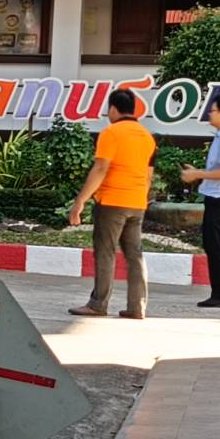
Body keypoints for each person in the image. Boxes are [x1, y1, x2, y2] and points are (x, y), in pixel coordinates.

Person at [67, 89, 156, 318]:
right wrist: (140, 197)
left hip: (112, 202)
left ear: (113, 109)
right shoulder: (147, 137)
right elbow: (148, 175)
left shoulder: (111, 132)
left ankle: (98, 304)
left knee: (106, 252)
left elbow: (100, 168)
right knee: (135, 255)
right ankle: (137, 307)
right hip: (137, 203)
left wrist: (80, 201)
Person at [181, 92, 220, 309]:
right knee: (213, 243)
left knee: (214, 244)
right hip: (218, 196)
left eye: (212, 110)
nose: (209, 114)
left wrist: (197, 174)